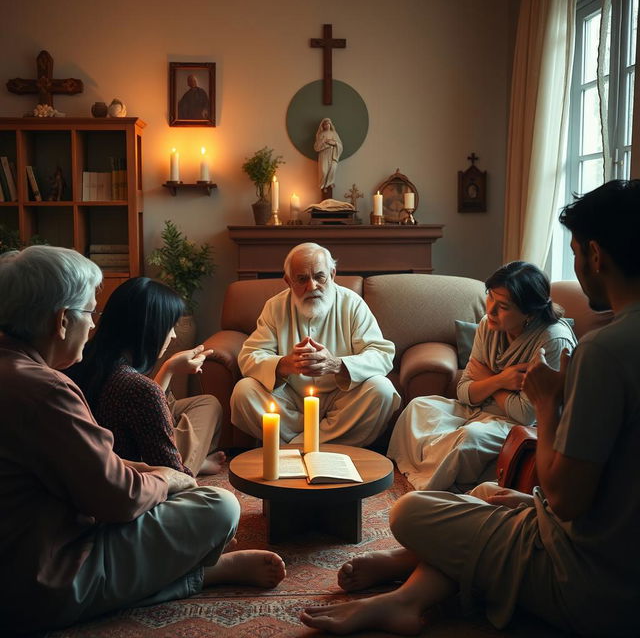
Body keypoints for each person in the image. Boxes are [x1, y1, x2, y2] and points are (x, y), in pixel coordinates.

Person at [300, 179, 640, 637]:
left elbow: (564, 496)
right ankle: (405, 595)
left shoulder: (600, 351)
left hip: (586, 576)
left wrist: (545, 400)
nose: (577, 265)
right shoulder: (600, 347)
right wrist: (503, 392)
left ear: (597, 254)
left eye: (577, 251)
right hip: (604, 547)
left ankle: (408, 566)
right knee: (482, 494)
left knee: (408, 513)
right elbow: (467, 385)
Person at [0, 246, 285, 633]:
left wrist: (146, 471)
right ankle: (197, 576)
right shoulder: (45, 389)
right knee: (219, 504)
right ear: (62, 321)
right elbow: (116, 498)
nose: (94, 326)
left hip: (28, 549)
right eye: (89, 312)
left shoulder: (21, 373)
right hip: (41, 581)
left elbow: (87, 464)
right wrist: (169, 478)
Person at [388, 260, 576, 492]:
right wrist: (502, 380)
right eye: (490, 298)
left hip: (527, 425)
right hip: (482, 408)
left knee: (471, 437)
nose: (491, 310)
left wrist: (489, 380)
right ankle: (425, 472)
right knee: (419, 407)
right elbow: (464, 390)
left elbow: (525, 414)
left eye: (503, 306)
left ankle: (439, 486)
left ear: (529, 311)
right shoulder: (489, 325)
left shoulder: (552, 341)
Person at [230, 242, 400, 447]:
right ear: (288, 281)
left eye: (319, 276)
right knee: (243, 391)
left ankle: (295, 446)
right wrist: (285, 364)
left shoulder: (351, 303)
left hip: (343, 399)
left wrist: (337, 364)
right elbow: (249, 355)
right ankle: (326, 444)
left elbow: (381, 354)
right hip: (291, 401)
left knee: (381, 389)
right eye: (302, 279)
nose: (312, 286)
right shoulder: (275, 307)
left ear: (332, 274)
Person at [68, 276, 225, 477]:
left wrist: (169, 367)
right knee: (222, 501)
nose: (174, 336)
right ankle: (193, 461)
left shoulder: (84, 360)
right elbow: (175, 477)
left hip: (103, 467)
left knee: (208, 403)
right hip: (135, 477)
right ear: (150, 329)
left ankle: (193, 456)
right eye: (171, 327)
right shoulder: (136, 387)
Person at [313, 118, 343, 195]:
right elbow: (316, 147)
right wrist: (324, 142)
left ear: (330, 124)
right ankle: (323, 186)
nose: (327, 125)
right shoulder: (320, 134)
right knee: (323, 171)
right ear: (323, 126)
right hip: (324, 154)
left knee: (333, 168)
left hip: (333, 154)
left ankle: (330, 183)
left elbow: (340, 146)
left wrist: (334, 143)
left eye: (328, 123)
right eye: (325, 124)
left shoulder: (334, 134)